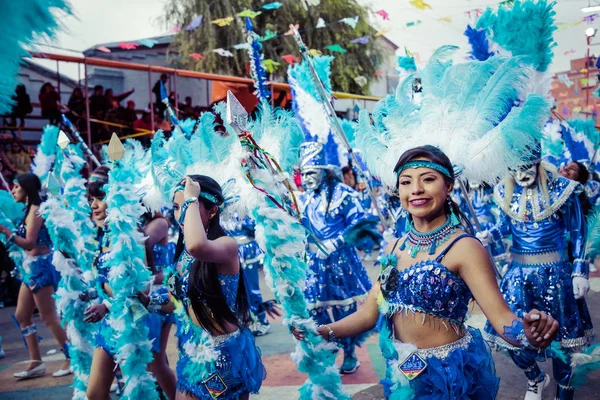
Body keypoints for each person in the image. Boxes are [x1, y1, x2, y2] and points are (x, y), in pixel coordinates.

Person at [293, 145, 559, 399]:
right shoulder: (395, 247)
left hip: (448, 375)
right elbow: (369, 313)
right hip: (403, 370)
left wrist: (528, 335)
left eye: (428, 179)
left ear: (449, 186)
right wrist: (323, 331)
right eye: (406, 182)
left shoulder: (464, 247)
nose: (416, 189)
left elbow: (501, 318)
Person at [481, 155, 594, 400]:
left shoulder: (563, 189)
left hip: (557, 276)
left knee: (564, 342)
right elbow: (505, 225)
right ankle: (535, 378)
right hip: (518, 278)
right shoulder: (505, 190)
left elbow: (578, 230)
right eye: (516, 167)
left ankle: (563, 393)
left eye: (526, 165)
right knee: (509, 334)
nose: (522, 173)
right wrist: (489, 235)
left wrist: (580, 271)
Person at [165, 175, 265, 400]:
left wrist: (191, 197)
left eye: (189, 205)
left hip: (222, 358)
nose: (181, 214)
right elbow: (178, 303)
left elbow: (196, 244)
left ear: (212, 212)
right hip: (193, 353)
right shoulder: (182, 257)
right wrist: (145, 301)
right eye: (176, 207)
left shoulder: (226, 246)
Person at [297, 141, 373, 374]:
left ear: (324, 170)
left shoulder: (344, 194)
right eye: (304, 173)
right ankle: (326, 350)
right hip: (315, 263)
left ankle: (349, 353)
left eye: (312, 172)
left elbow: (360, 224)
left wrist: (335, 243)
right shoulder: (303, 199)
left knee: (345, 310)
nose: (307, 178)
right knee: (315, 308)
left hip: (341, 263)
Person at [83, 166, 158, 399]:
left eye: (100, 198)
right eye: (90, 199)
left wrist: (106, 305)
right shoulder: (103, 235)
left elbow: (142, 288)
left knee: (138, 390)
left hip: (132, 324)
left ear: (115, 200)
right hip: (110, 323)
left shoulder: (128, 237)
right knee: (94, 393)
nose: (93, 205)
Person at [0, 174, 71, 379]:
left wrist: (6, 231)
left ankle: (71, 357)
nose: (12, 191)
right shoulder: (27, 210)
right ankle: (36, 362)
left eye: (16, 187)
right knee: (22, 315)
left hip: (40, 268)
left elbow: (30, 243)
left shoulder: (36, 211)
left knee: (49, 317)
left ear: (27, 189)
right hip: (29, 268)